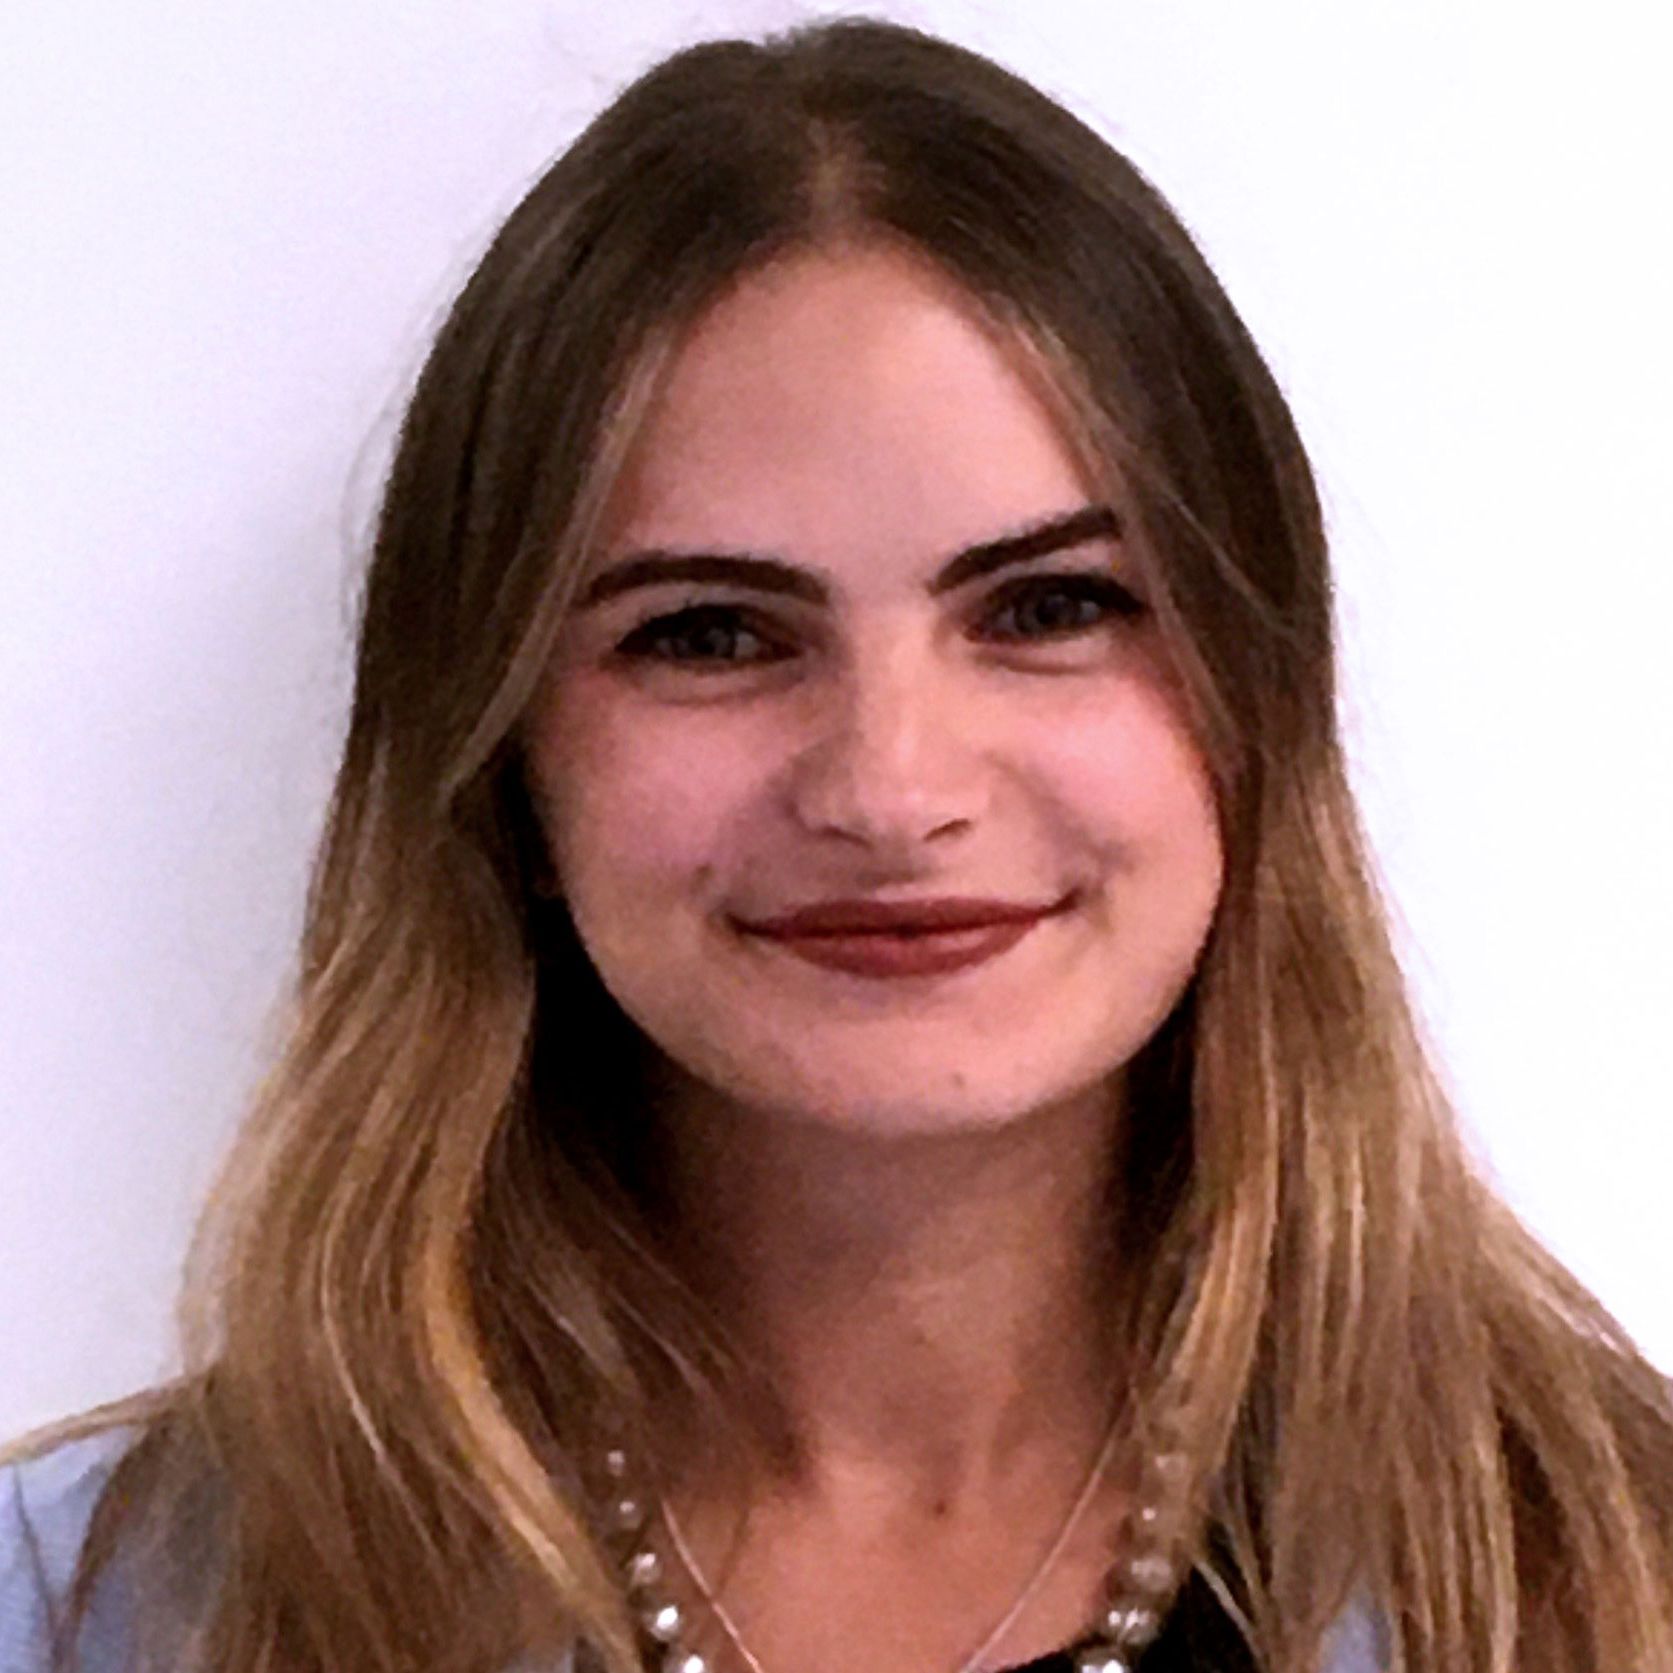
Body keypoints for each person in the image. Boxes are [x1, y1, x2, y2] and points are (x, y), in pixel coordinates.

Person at [3, 17, 1670, 1673]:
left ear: (1259, 700)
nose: (888, 789)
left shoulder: (1615, 1574)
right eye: (709, 633)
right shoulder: (82, 1614)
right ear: (500, 755)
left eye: (1049, 607)